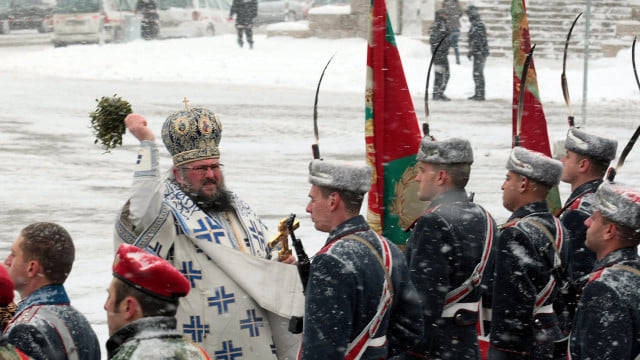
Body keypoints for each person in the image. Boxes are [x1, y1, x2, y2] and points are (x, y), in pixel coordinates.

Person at [115, 104, 300, 359]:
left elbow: (264, 254)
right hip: (200, 343)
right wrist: (147, 144)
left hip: (255, 342)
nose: (211, 174)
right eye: (201, 169)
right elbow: (140, 211)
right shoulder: (166, 211)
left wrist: (281, 262)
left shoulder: (238, 207)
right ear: (178, 174)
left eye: (215, 166)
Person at [300, 159, 424, 359]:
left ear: (333, 201)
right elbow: (411, 330)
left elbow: (321, 351)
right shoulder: (390, 250)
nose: (308, 208)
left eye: (313, 199)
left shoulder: (330, 261)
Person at [404, 137, 496, 359]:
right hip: (465, 345)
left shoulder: (434, 222)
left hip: (435, 348)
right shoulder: (485, 217)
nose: (417, 177)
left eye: (422, 171)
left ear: (441, 177)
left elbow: (424, 307)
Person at [489, 147, 568, 359]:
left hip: (523, 347)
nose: (503, 185)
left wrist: (501, 352)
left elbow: (511, 311)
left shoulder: (514, 234)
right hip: (551, 335)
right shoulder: (559, 228)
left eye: (508, 178)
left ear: (523, 184)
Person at [3, 222, 100, 360]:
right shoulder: (82, 324)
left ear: (31, 268)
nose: (7, 261)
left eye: (13, 254)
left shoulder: (25, 329)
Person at [555, 127, 617, 333]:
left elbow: (576, 279)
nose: (562, 160)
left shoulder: (580, 213)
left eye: (568, 156)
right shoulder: (601, 201)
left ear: (583, 165)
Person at [569, 181, 640, 359]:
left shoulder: (604, 288)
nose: (586, 222)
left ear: (609, 231)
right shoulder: (633, 273)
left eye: (593, 218)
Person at [105, 243, 210, 359]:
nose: (106, 306)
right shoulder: (196, 353)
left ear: (129, 307)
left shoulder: (131, 356)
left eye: (109, 296)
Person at [466, 6, 489, 101]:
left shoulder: (477, 24)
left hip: (480, 52)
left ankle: (480, 94)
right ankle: (478, 93)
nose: (467, 16)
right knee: (477, 74)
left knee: (478, 73)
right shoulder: (476, 24)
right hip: (479, 52)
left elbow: (477, 40)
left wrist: (472, 51)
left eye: (468, 14)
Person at [430, 9, 451, 101]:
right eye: (445, 14)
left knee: (443, 74)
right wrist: (439, 52)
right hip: (439, 55)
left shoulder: (442, 25)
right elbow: (435, 41)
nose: (447, 16)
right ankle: (437, 93)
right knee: (441, 75)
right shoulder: (438, 26)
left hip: (442, 54)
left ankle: (438, 93)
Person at [443, 0, 462, 65]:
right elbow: (461, 13)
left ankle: (444, 59)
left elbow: (445, 14)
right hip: (457, 28)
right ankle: (458, 60)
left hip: (450, 28)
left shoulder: (447, 4)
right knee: (456, 46)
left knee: (447, 45)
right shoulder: (457, 3)